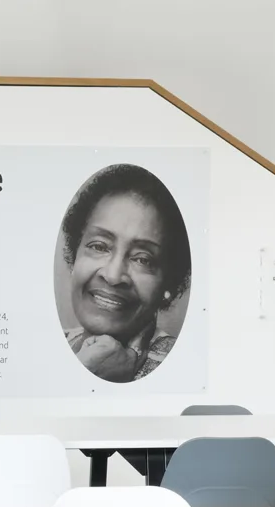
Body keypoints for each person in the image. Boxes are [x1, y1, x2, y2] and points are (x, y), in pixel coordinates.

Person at [58, 163, 192, 383]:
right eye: (99, 246)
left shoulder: (182, 367)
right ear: (75, 256)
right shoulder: (52, 342)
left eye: (142, 259)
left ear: (168, 282)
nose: (112, 276)